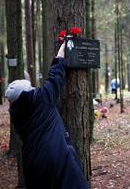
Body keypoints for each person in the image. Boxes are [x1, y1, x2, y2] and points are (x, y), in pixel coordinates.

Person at [5, 43, 88, 189]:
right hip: (57, 158)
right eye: (30, 88)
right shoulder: (42, 99)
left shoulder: (16, 113)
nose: (34, 88)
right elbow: (55, 76)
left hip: (32, 163)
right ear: (27, 93)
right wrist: (63, 49)